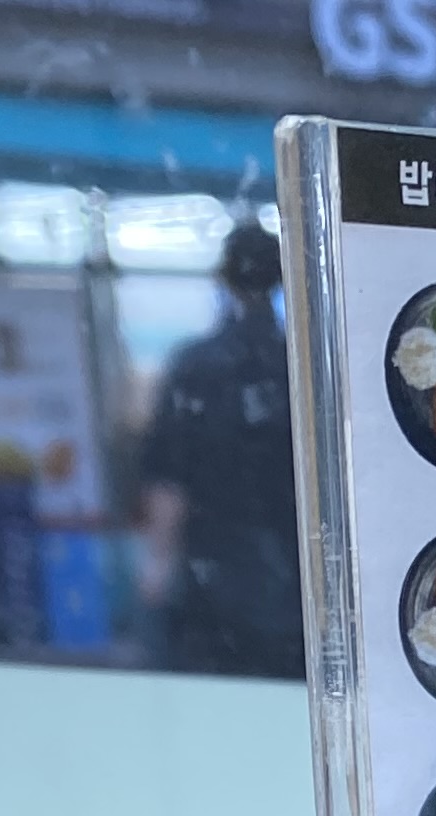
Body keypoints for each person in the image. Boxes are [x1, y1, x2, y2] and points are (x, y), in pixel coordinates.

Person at [136, 220, 305, 679]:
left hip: (213, 577)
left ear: (223, 279)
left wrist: (158, 563)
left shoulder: (196, 366)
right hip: (297, 577)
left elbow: (168, 478)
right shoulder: (301, 367)